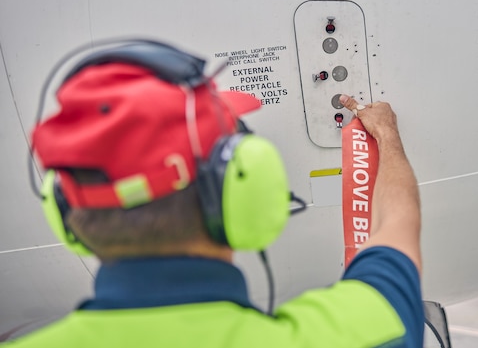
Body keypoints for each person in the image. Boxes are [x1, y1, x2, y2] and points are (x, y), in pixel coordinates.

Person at [7, 40, 424, 347]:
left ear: (64, 213)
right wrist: (386, 137)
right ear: (240, 191)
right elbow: (397, 228)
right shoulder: (362, 330)